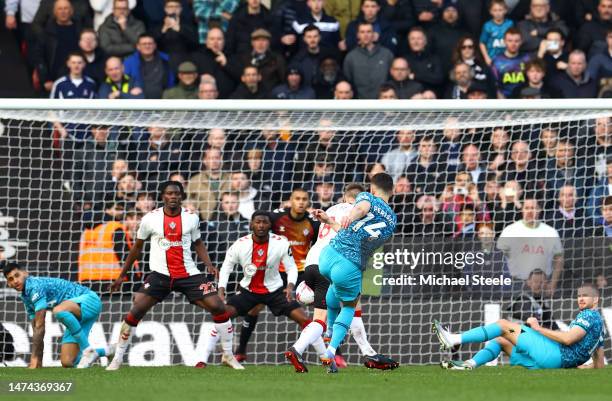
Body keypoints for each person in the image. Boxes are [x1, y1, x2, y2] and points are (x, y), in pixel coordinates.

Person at [106, 181, 243, 370]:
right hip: (160, 275)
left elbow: (198, 243)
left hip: (188, 274)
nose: (173, 197)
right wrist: (122, 275)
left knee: (219, 307)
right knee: (136, 310)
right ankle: (117, 358)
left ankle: (228, 355)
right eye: (169, 194)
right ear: (163, 196)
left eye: (177, 194)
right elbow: (137, 248)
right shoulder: (150, 219)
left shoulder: (191, 218)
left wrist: (209, 265)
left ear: (182, 196)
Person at [285, 183, 399, 373]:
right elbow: (354, 225)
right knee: (337, 312)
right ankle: (299, 349)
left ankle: (363, 351)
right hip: (343, 260)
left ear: (345, 198)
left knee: (343, 303)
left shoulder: (332, 208)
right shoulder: (369, 212)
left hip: (316, 260)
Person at [196, 211, 311, 366]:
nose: (261, 226)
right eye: (257, 222)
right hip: (248, 292)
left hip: (275, 291)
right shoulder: (241, 244)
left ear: (270, 225)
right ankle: (202, 359)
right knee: (222, 315)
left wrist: (290, 287)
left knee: (305, 320)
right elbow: (226, 268)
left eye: (264, 222)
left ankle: (326, 356)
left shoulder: (281, 243)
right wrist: (221, 289)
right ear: (251, 224)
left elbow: (291, 268)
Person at [233, 188, 320, 362]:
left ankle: (334, 354)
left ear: (308, 202)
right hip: (276, 272)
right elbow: (259, 229)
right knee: (254, 307)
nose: (301, 202)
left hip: (302, 271)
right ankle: (241, 350)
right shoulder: (276, 217)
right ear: (291, 200)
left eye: (304, 199)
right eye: (297, 198)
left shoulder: (313, 222)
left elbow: (319, 245)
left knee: (321, 306)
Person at [434, 283, 605, 370]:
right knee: (502, 340)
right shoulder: (600, 326)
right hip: (554, 364)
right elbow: (599, 365)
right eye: (579, 296)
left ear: (595, 300)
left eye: (586, 296)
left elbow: (568, 339)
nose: (581, 299)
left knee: (503, 325)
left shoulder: (588, 315)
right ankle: (468, 364)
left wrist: (538, 329)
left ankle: (453, 339)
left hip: (553, 355)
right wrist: (580, 366)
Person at [2, 261, 110, 368]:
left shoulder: (34, 286)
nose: (15, 281)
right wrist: (38, 361)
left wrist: (34, 359)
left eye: (17, 275)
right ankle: (107, 351)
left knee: (58, 311)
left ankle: (87, 349)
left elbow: (40, 325)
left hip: (89, 300)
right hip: (74, 316)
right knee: (68, 362)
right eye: (11, 279)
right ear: (8, 284)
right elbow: (36, 328)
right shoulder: (25, 297)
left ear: (25, 273)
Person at [497, 197, 564, 295]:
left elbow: (559, 259)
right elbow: (498, 257)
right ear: (522, 210)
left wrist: (552, 284)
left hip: (542, 285)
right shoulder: (510, 230)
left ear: (539, 210)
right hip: (515, 284)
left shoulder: (550, 232)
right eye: (526, 208)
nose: (529, 211)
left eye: (533, 208)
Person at [33, 0, 81, 93]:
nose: (63, 12)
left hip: (77, 80)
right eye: (59, 9)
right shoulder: (46, 33)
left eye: (66, 8)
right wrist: (45, 79)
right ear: (54, 12)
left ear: (71, 11)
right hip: (52, 81)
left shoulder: (79, 30)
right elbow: (39, 58)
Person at [343, 21, 394, 99]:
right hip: (360, 104)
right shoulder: (350, 57)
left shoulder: (387, 54)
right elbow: (348, 81)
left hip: (382, 103)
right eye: (362, 32)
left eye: (369, 32)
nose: (365, 35)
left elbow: (392, 80)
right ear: (358, 35)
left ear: (374, 34)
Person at [123, 33, 175, 99]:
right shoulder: (129, 62)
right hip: (138, 102)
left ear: (155, 45)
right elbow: (124, 82)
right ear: (138, 46)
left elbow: (171, 81)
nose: (147, 46)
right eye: (144, 44)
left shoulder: (165, 59)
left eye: (150, 43)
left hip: (162, 101)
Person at [191, 27, 236, 98]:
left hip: (228, 102)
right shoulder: (197, 57)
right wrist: (200, 78)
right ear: (206, 41)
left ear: (224, 41)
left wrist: (226, 65)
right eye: (212, 39)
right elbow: (189, 79)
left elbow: (241, 78)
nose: (215, 42)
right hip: (203, 103)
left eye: (219, 39)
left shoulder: (232, 57)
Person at [491, 28, 531, 98]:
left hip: (524, 99)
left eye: (516, 41)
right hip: (503, 100)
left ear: (521, 42)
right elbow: (494, 84)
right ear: (504, 41)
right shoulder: (497, 60)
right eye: (510, 41)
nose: (513, 44)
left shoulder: (526, 59)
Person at [479, 0, 513, 67]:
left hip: (507, 58)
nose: (498, 13)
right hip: (492, 59)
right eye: (495, 10)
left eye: (500, 10)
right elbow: (482, 43)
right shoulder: (487, 25)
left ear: (505, 11)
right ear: (491, 11)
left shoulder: (510, 24)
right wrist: (486, 58)